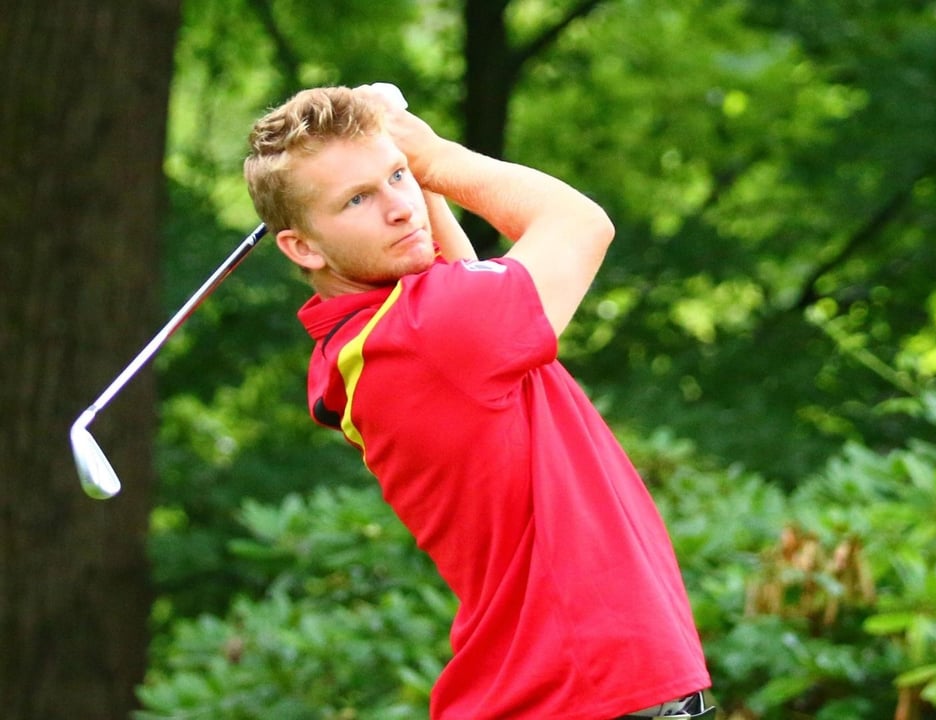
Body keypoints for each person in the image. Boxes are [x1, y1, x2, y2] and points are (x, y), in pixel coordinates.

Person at [243, 85, 714, 719]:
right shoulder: (428, 333)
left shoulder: (373, 339)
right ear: (302, 246)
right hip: (583, 694)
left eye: (397, 178)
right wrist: (432, 155)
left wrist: (414, 166)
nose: (399, 208)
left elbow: (457, 271)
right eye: (358, 198)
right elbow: (582, 224)